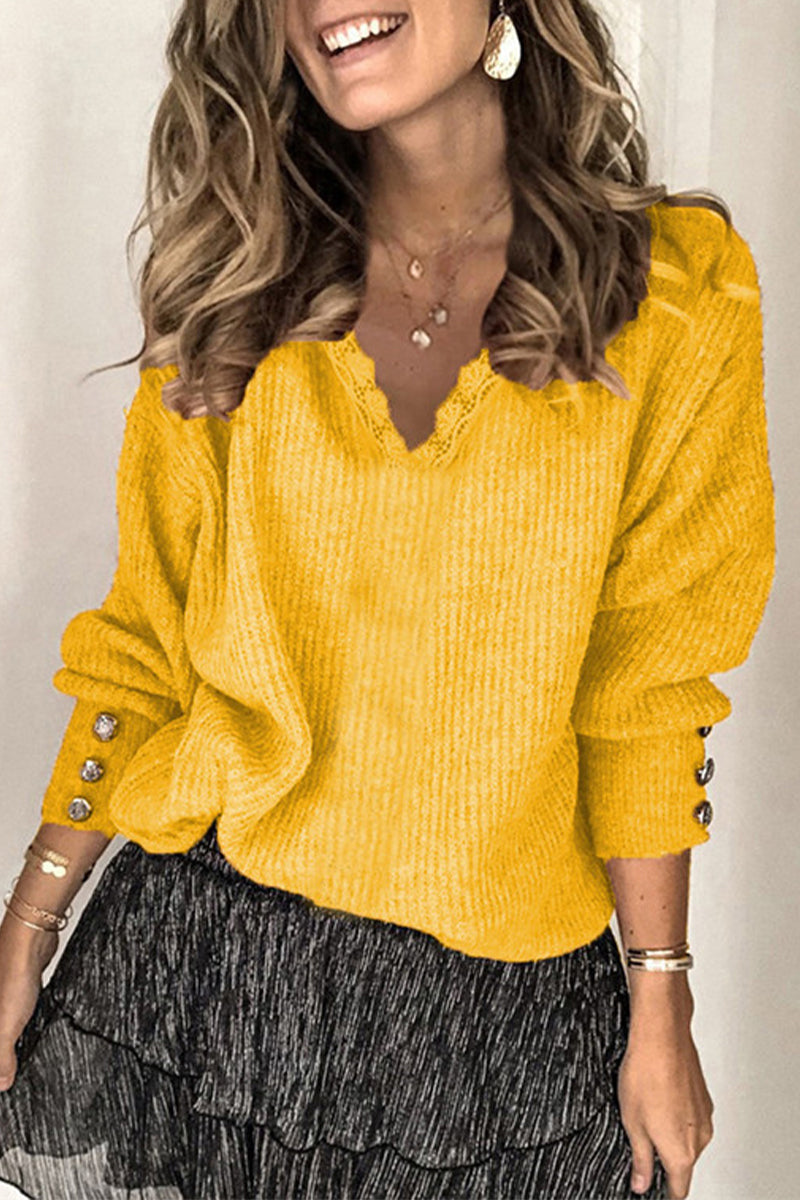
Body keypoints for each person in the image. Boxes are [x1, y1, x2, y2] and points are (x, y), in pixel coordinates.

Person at [0, 1, 776, 1197]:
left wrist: (659, 998)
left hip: (503, 1019)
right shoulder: (237, 286)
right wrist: (30, 920)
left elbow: (645, 688)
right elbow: (146, 641)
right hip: (214, 970)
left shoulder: (672, 295)